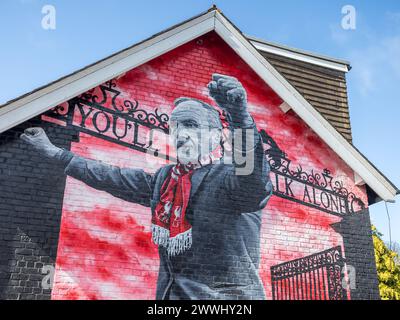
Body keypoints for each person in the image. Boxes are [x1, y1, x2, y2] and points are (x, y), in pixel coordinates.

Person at [21, 74, 273, 300]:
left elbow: (253, 178)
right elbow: (111, 176)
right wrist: (56, 154)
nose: (180, 134)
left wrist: (239, 117)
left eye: (191, 125)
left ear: (217, 137)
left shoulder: (232, 179)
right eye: (175, 127)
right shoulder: (165, 181)